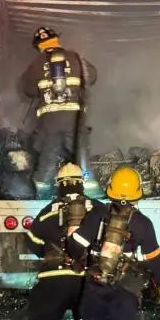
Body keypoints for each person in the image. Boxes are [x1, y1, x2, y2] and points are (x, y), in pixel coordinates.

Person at [67, 165, 160, 320]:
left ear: (110, 191)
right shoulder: (142, 223)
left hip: (95, 283)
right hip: (125, 288)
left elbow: (75, 246)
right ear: (137, 194)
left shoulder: (97, 215)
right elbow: (155, 260)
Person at [24, 163, 105, 320]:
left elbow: (31, 241)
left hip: (53, 278)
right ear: (81, 183)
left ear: (59, 184)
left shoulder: (48, 211)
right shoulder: (97, 208)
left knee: (45, 317)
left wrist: (47, 251)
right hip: (86, 278)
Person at [21, 27, 98, 200]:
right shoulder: (76, 57)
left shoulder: (36, 64)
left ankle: (43, 190)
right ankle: (88, 189)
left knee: (48, 154)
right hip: (74, 118)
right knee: (80, 152)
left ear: (39, 45)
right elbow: (92, 76)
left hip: (50, 120)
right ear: (56, 39)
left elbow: (28, 90)